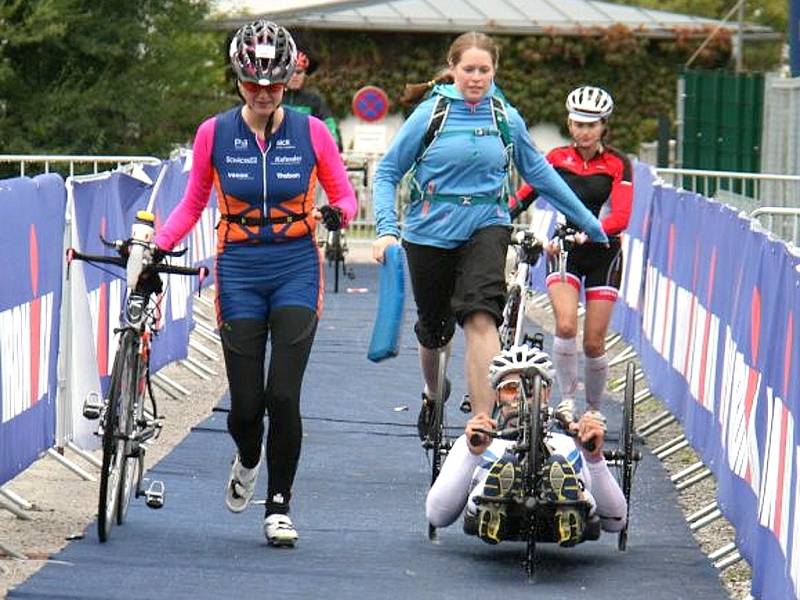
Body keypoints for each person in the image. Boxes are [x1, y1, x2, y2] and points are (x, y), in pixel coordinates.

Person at [153, 20, 357, 547]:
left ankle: (280, 504)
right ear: (238, 81)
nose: (264, 93)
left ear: (288, 78)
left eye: (273, 83)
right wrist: (158, 246)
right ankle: (247, 458)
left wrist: (336, 212)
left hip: (294, 265)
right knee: (245, 408)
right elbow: (193, 202)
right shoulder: (213, 133)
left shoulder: (312, 132)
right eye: (252, 84)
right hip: (240, 267)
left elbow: (346, 195)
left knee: (283, 395)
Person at [371, 32, 608, 438]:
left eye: (484, 70)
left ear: (494, 71)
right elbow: (389, 171)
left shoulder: (504, 116)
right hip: (428, 231)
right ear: (453, 69)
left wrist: (589, 222)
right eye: (469, 69)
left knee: (482, 316)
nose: (476, 78)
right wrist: (386, 230)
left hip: (487, 223)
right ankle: (433, 393)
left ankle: (483, 424)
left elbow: (539, 174)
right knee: (434, 329)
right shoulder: (431, 115)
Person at [509, 85, 633, 424]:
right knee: (564, 325)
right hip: (563, 248)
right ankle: (566, 401)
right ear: (569, 122)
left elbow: (621, 217)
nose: (584, 132)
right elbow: (524, 195)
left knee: (593, 343)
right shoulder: (555, 159)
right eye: (578, 124)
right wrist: (496, 219)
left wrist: (589, 232)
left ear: (604, 126)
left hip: (603, 253)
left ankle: (593, 410)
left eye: (591, 125)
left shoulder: (617, 163)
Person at [425, 344, 627, 546]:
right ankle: (492, 502)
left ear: (546, 393)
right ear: (497, 396)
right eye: (511, 388)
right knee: (503, 463)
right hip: (489, 489)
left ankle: (570, 507)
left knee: (561, 460)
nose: (520, 396)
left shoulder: (569, 443)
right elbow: (437, 516)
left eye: (529, 386)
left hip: (564, 492)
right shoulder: (479, 439)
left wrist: (593, 458)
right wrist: (472, 453)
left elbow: (616, 522)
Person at [283, 49, 342, 151]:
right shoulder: (273, 96)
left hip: (306, 154)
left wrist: (333, 148)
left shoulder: (315, 99)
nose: (294, 76)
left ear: (305, 74)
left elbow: (329, 126)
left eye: (298, 72)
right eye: (290, 72)